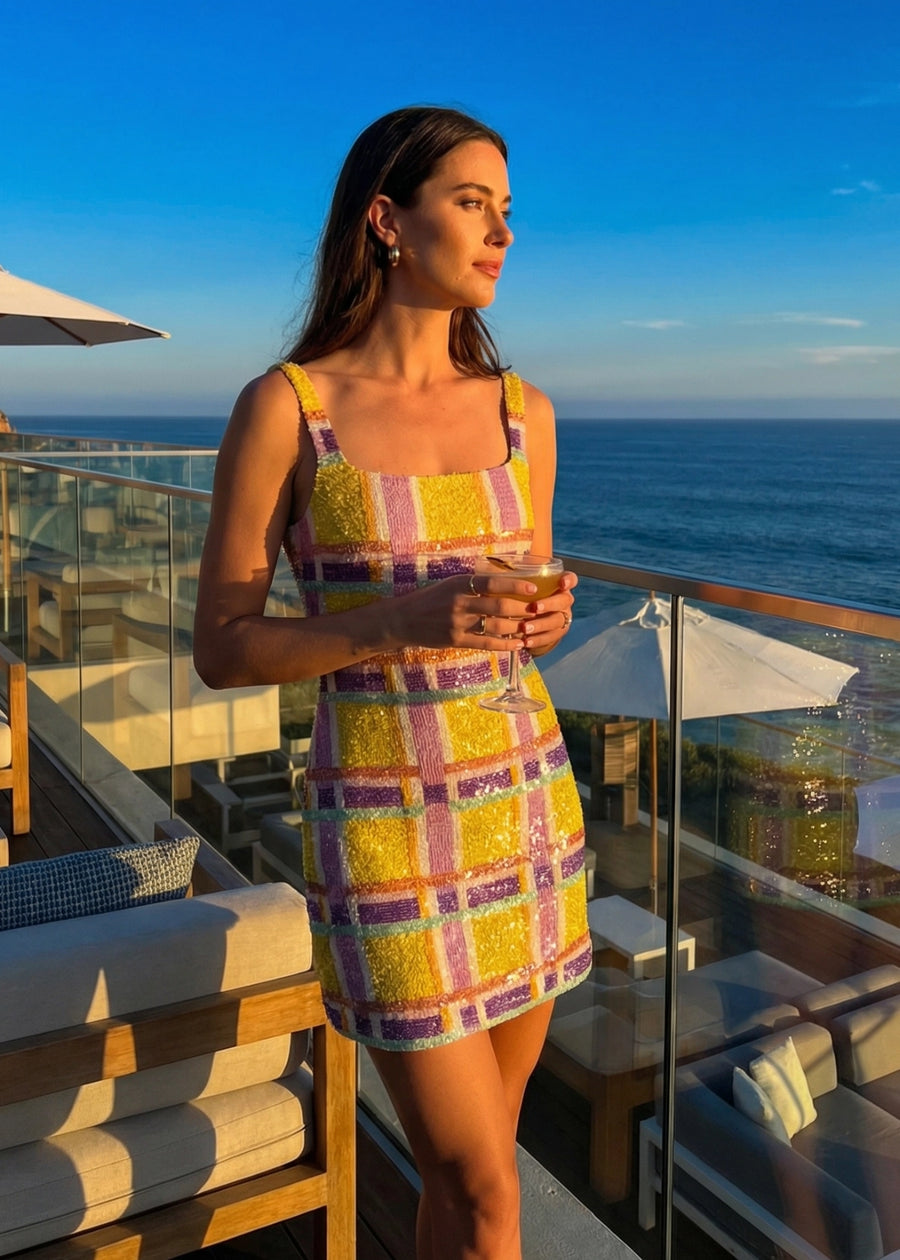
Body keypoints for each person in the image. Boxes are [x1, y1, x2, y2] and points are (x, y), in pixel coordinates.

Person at [194, 105, 591, 1260]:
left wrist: (545, 620)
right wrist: (397, 621)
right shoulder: (288, 409)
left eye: (507, 211)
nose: (500, 232)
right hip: (383, 833)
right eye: (472, 203)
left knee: (471, 1184)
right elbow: (222, 645)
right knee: (485, 1196)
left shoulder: (529, 416)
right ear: (387, 220)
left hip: (524, 811)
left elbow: (516, 623)